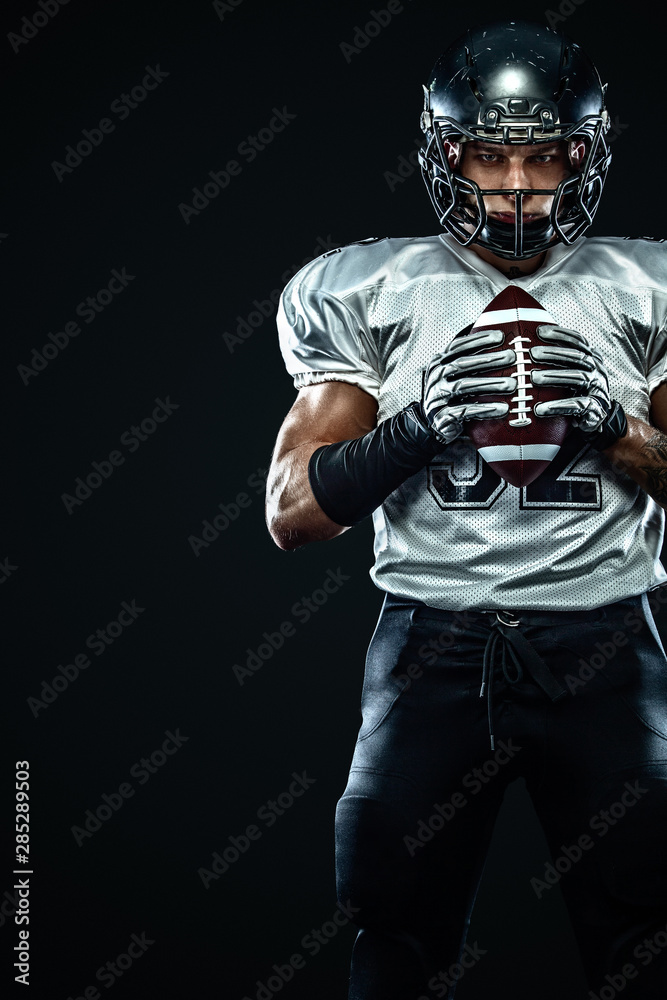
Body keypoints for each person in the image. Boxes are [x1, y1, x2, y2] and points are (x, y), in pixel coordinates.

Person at [265, 19, 667, 1000]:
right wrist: (416, 427)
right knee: (392, 929)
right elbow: (292, 511)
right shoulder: (369, 286)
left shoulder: (647, 283)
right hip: (430, 646)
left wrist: (610, 426)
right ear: (446, 153)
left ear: (587, 153)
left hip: (606, 644)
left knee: (649, 925)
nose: (519, 185)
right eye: (490, 154)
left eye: (544, 155)